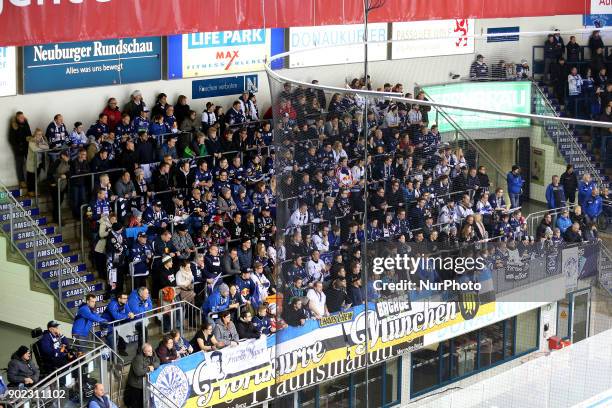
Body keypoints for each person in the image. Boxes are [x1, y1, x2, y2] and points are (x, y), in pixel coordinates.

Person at [124, 343, 159, 408]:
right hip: (136, 385)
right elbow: (138, 372)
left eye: (151, 350)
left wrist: (153, 366)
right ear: (144, 351)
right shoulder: (138, 358)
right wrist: (149, 368)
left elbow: (158, 362)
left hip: (145, 384)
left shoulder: (152, 354)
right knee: (136, 404)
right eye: (148, 351)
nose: (151, 352)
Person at [101, 292, 135, 356]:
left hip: (115, 324)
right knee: (112, 341)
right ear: (119, 299)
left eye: (126, 298)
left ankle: (120, 351)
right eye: (124, 298)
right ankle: (112, 359)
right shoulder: (112, 304)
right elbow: (116, 317)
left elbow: (129, 312)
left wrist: (130, 314)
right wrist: (128, 315)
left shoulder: (125, 303)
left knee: (122, 333)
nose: (126, 300)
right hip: (106, 324)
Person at [8, 111, 32, 188]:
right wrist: (17, 147)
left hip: (27, 147)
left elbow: (29, 134)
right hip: (18, 149)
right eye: (20, 117)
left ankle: (30, 181)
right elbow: (11, 138)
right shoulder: (14, 125)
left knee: (29, 164)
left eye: (23, 117)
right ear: (17, 117)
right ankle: (21, 181)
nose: (22, 118)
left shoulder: (25, 123)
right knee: (19, 165)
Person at [25, 128, 49, 196]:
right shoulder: (31, 141)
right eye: (38, 134)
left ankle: (34, 190)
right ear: (35, 134)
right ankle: (30, 191)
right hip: (32, 163)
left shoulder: (42, 140)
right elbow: (35, 150)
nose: (40, 135)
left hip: (39, 162)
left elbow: (47, 147)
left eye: (41, 134)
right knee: (31, 177)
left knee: (36, 177)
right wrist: (41, 147)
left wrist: (39, 145)